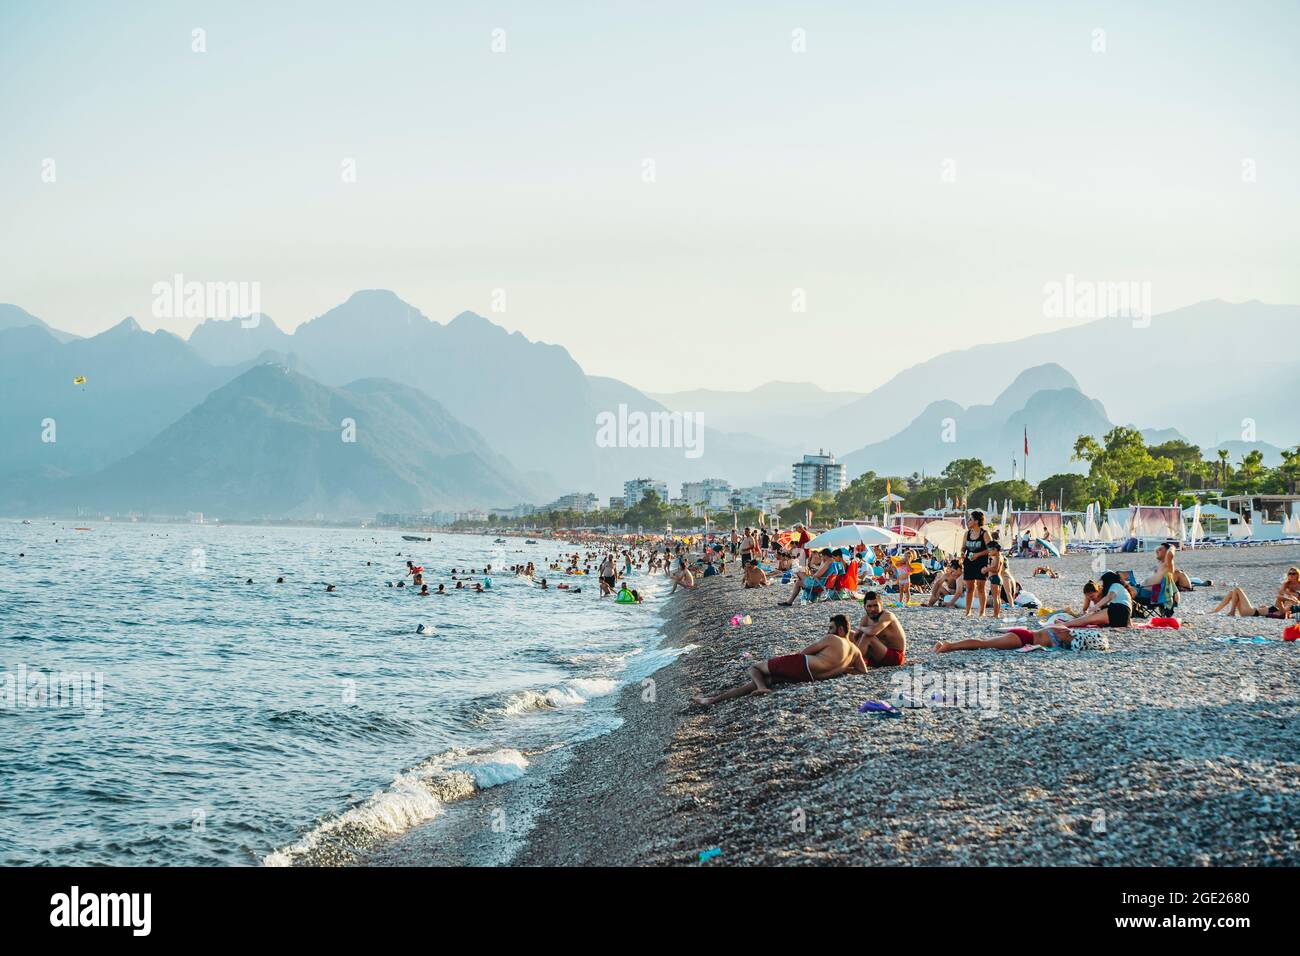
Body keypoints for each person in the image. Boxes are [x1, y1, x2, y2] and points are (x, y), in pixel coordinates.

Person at [690, 614, 866, 707]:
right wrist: (841, 669)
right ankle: (713, 699)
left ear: (841, 629)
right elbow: (862, 672)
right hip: (810, 677)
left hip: (802, 664)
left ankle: (761, 688)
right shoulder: (856, 651)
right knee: (764, 678)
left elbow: (803, 652)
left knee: (754, 668)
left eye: (831, 628)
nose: (828, 631)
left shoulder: (833, 639)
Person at [1211, 567, 1300, 618]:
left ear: (1298, 575)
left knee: (1237, 589)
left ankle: (1232, 612)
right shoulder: (1280, 603)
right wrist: (1290, 596)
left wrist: (1292, 599)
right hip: (1251, 612)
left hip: (1251, 612)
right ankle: (1216, 610)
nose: (1291, 575)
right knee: (1232, 592)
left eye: (1293, 574)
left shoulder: (1284, 609)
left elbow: (1279, 597)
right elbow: (1280, 594)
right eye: (1289, 573)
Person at [850, 591, 907, 667]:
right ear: (864, 607)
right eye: (869, 606)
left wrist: (860, 628)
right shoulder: (865, 619)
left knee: (867, 636)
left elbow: (872, 631)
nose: (873, 609)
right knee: (849, 633)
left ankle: (852, 662)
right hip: (876, 655)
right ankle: (843, 659)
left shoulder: (887, 616)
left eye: (876, 605)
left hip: (895, 656)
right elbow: (857, 636)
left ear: (881, 605)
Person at [1058, 571, 1133, 628]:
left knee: (1087, 619)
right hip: (1123, 618)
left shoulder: (1115, 585)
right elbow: (1128, 607)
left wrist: (1095, 607)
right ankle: (1068, 622)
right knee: (1092, 620)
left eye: (1104, 582)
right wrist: (1130, 624)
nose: (1103, 585)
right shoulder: (1123, 590)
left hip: (1117, 610)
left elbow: (1109, 597)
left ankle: (1064, 624)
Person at [961, 511, 993, 618]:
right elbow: (963, 547)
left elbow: (992, 549)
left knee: (980, 587)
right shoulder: (967, 533)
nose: (968, 521)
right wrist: (961, 553)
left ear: (976, 521)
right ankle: (968, 611)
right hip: (969, 563)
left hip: (981, 563)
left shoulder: (984, 533)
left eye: (970, 519)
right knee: (969, 588)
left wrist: (977, 554)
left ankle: (982, 611)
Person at [984, 541, 1006, 619]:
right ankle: (997, 613)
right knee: (997, 597)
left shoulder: (997, 557)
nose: (989, 551)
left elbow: (995, 569)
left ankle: (996, 614)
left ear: (995, 549)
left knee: (995, 597)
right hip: (998, 578)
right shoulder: (1000, 556)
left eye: (990, 549)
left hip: (995, 578)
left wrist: (986, 569)